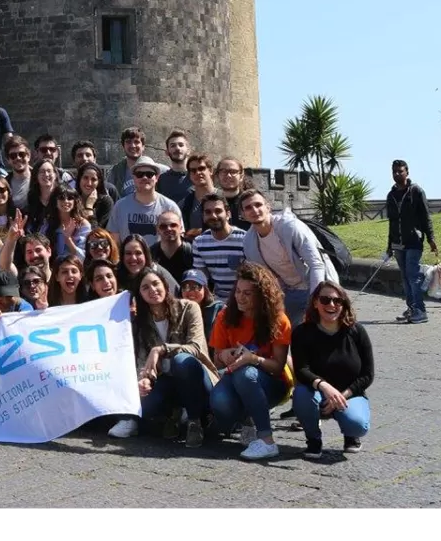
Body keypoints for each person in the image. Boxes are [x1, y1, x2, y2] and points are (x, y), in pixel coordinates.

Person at [109, 269, 217, 447]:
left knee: (181, 361)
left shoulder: (189, 308)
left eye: (155, 284)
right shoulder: (141, 323)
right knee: (145, 407)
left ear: (165, 286)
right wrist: (143, 379)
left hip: (197, 377)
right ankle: (172, 415)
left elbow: (196, 348)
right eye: (145, 288)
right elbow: (142, 361)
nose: (152, 290)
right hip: (166, 380)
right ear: (140, 295)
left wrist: (162, 349)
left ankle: (194, 422)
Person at [208, 264, 294, 461]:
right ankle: (247, 419)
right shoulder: (224, 316)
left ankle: (267, 440)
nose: (240, 297)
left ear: (262, 296)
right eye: (238, 291)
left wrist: (254, 359)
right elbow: (216, 360)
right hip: (233, 376)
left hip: (271, 383)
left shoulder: (279, 320)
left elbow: (278, 366)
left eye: (247, 293)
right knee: (219, 401)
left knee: (246, 373)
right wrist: (225, 355)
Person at [291, 281, 373, 458]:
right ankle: (313, 439)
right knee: (301, 394)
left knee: (357, 424)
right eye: (325, 300)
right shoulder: (301, 333)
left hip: (349, 394)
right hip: (316, 392)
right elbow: (301, 370)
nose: (331, 305)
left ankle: (351, 436)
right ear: (315, 302)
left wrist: (342, 396)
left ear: (344, 304)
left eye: (337, 301)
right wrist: (324, 386)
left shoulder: (357, 331)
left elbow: (367, 374)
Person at [238, 188, 336, 323]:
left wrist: (316, 300)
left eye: (258, 205)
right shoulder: (249, 242)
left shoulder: (290, 226)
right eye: (248, 208)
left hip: (317, 283)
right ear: (243, 214)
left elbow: (316, 264)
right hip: (289, 291)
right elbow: (266, 278)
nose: (254, 210)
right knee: (288, 333)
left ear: (268, 207)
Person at [386, 160, 437, 324]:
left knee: (412, 275)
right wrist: (389, 246)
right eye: (394, 171)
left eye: (400, 171)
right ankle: (412, 308)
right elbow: (392, 222)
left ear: (407, 172)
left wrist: (431, 239)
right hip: (398, 243)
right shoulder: (391, 195)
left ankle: (420, 311)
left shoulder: (416, 191)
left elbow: (425, 217)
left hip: (414, 241)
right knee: (406, 277)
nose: (397, 174)